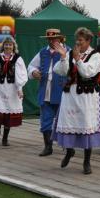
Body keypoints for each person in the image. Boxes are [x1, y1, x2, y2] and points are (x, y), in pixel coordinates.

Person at [52, 27, 100, 175]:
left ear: (88, 40)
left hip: (86, 96)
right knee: (69, 123)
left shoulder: (95, 55)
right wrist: (63, 57)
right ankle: (69, 151)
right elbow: (59, 70)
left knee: (86, 125)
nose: (78, 42)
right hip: (70, 95)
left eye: (81, 40)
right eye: (77, 40)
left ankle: (87, 161)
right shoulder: (71, 53)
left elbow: (88, 72)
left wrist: (78, 60)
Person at [27, 28, 70, 156]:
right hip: (45, 90)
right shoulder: (42, 52)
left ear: (60, 39)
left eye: (54, 39)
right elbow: (31, 66)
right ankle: (48, 147)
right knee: (46, 119)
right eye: (49, 39)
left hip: (62, 91)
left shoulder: (68, 51)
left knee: (65, 120)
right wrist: (34, 72)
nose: (51, 41)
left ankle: (68, 147)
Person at [0, 36, 28, 146]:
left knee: (9, 114)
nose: (8, 46)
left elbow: (21, 75)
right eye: (6, 44)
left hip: (12, 89)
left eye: (10, 44)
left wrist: (20, 89)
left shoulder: (18, 59)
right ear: (3, 46)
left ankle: (5, 138)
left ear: (13, 46)